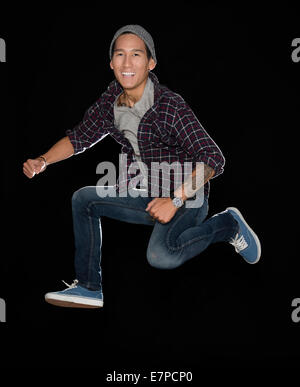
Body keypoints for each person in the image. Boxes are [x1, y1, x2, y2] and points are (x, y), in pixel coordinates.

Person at [23, 25, 261, 308]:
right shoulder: (110, 102)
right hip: (147, 192)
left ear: (150, 63)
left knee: (161, 256)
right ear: (111, 63)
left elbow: (212, 158)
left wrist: (175, 199)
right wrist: (43, 160)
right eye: (120, 55)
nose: (126, 63)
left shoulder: (169, 106)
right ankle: (88, 286)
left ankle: (228, 224)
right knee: (84, 199)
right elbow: (80, 137)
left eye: (136, 54)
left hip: (188, 194)